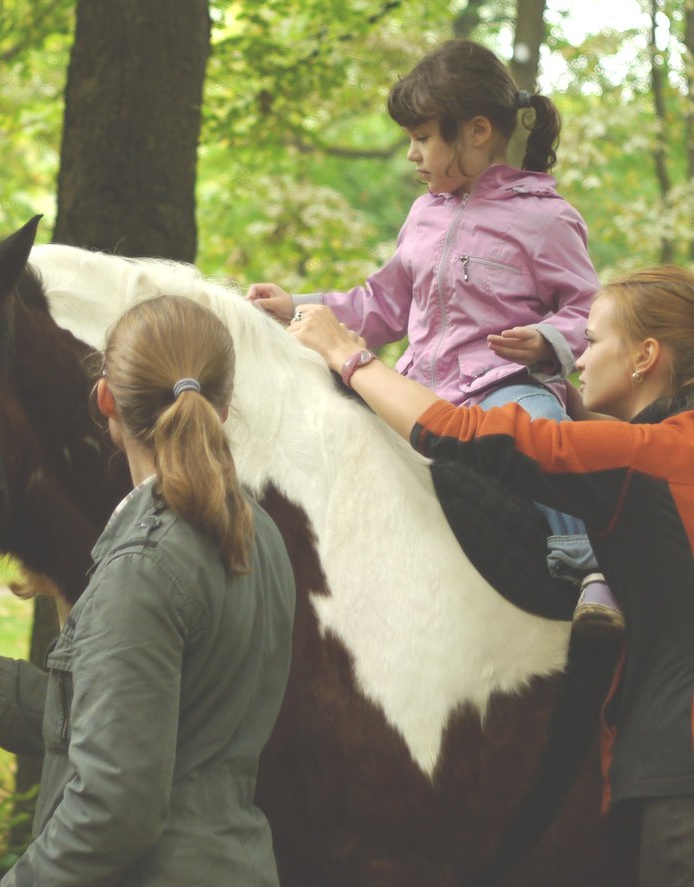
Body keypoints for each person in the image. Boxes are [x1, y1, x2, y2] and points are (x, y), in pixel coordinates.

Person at [288, 267, 694, 887]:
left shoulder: (645, 457)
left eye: (592, 341)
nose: (579, 358)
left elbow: (458, 431)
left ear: (646, 357)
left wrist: (346, 353)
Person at [0, 294, 297, 887]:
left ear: (105, 401)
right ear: (223, 407)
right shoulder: (260, 535)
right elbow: (160, 719)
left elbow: (116, 805)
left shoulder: (143, 565)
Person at [247, 38, 621, 635]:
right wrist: (298, 304)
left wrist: (547, 339)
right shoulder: (424, 214)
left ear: (476, 131)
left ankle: (588, 571)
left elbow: (590, 312)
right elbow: (382, 304)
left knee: (545, 434)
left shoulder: (546, 218)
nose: (412, 155)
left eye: (422, 138)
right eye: (409, 140)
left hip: (503, 386)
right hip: (419, 385)